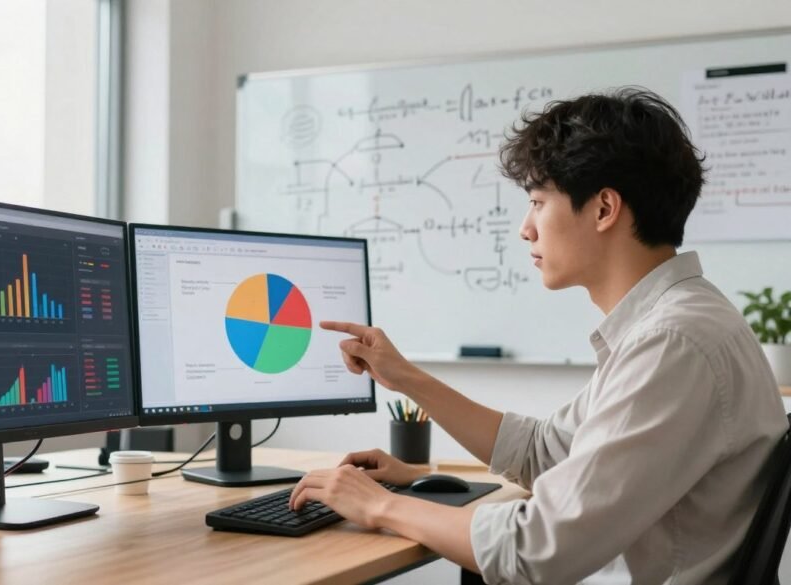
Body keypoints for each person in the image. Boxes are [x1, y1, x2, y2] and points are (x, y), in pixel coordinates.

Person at [289, 87, 788, 584]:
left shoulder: (674, 342)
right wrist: (407, 381)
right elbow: (545, 452)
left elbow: (538, 550)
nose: (526, 229)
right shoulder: (674, 321)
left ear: (604, 208)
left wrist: (379, 507)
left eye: (538, 202)